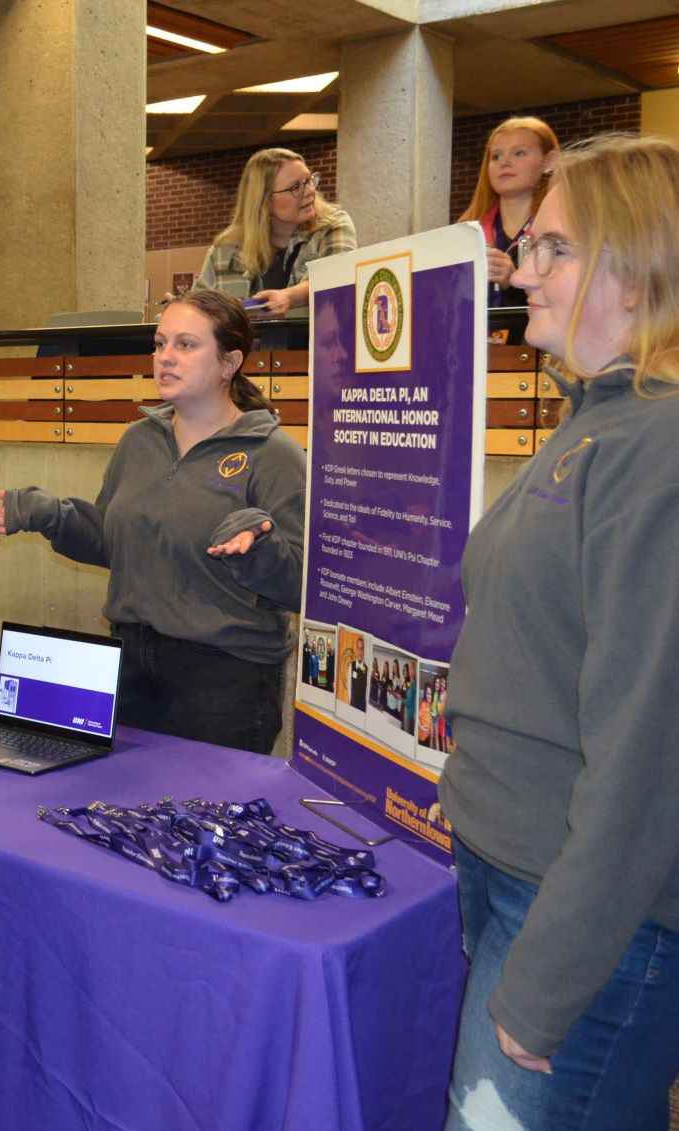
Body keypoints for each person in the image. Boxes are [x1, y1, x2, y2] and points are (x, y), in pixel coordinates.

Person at [438, 133, 679, 1131]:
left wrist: (549, 980)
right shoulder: (593, 424)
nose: (522, 271)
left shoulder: (657, 446)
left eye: (553, 250)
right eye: (525, 247)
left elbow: (649, 757)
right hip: (515, 876)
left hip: (582, 922)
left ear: (638, 269)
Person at [0, 289, 304, 753]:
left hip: (225, 679)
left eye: (186, 345)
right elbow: (113, 544)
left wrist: (259, 550)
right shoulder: (138, 441)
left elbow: (301, 585)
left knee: (204, 818)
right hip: (129, 664)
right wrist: (48, 516)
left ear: (229, 363)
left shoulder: (273, 454)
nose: (165, 358)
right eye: (159, 343)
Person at [196, 147, 357, 317]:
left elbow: (338, 279)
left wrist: (289, 297)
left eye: (309, 180)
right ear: (264, 201)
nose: (310, 191)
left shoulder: (333, 225)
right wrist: (178, 305)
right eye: (295, 187)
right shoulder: (225, 249)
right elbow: (198, 305)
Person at [457, 116, 560, 309]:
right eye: (496, 156)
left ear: (550, 161)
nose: (505, 162)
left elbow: (569, 299)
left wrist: (513, 282)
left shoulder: (564, 229)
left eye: (519, 153)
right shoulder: (465, 232)